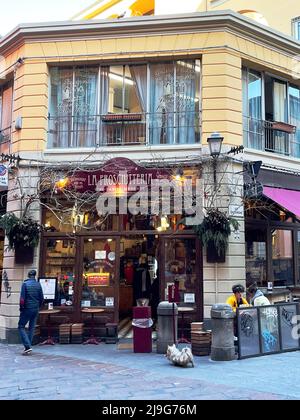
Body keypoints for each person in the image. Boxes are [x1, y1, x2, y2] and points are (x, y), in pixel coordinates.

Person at [18, 270, 44, 355]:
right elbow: (41, 299)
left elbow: (22, 299)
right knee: (31, 327)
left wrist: (21, 308)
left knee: (21, 326)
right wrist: (38, 306)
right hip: (35, 308)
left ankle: (27, 346)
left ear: (28, 275)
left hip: (27, 308)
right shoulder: (38, 284)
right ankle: (28, 346)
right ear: (35, 276)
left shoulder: (25, 284)